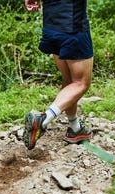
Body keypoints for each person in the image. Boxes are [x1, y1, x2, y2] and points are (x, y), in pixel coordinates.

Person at [23, 0, 94, 150]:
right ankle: (43, 119)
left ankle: (75, 128)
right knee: (81, 83)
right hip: (73, 27)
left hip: (51, 25)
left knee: (69, 81)